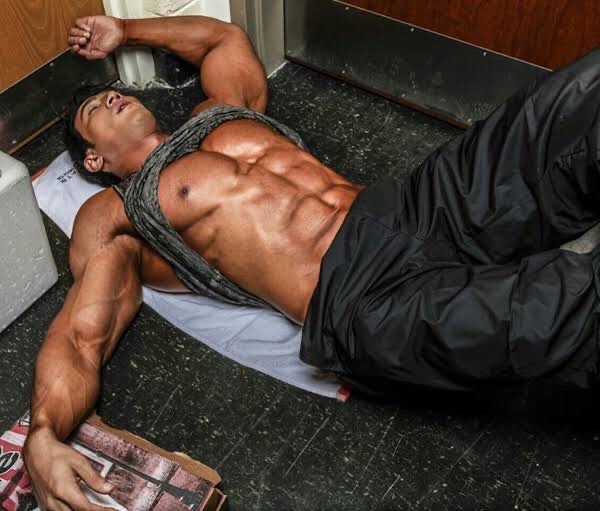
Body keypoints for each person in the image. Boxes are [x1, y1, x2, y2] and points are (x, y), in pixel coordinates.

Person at [23, 12, 600, 510]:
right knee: (567, 305)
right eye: (96, 107)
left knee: (574, 103)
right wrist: (44, 434)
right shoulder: (116, 212)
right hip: (361, 297)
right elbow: (80, 332)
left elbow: (223, 39)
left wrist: (125, 30)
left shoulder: (220, 110)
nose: (113, 96)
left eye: (112, 90)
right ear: (93, 159)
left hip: (414, 206)